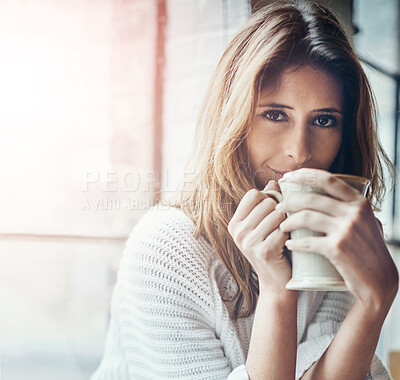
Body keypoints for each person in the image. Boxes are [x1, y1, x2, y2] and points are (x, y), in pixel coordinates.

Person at [91, 1, 398, 379]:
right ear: (233, 117)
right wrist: (277, 291)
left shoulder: (330, 240)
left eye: (323, 120)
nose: (299, 150)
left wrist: (374, 300)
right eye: (274, 114)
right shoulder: (165, 248)